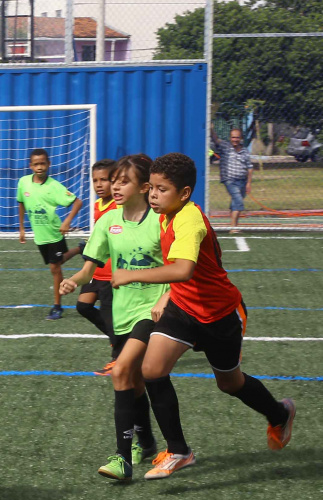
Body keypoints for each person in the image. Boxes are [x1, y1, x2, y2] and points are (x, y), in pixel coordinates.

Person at [113, 152, 296, 480]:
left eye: (161, 189)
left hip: (220, 315)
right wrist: (168, 294)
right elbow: (186, 271)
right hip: (182, 309)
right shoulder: (166, 214)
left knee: (230, 384)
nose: (153, 195)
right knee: (152, 370)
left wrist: (132, 275)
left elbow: (183, 269)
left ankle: (279, 413)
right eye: (151, 188)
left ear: (184, 194)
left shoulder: (189, 219)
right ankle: (179, 450)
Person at [60, 154, 164, 481]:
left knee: (121, 371)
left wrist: (166, 298)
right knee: (134, 382)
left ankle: (123, 458)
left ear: (145, 187)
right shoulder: (108, 221)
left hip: (152, 312)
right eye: (114, 180)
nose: (115, 186)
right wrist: (74, 281)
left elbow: (179, 267)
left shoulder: (161, 221)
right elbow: (90, 267)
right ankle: (147, 443)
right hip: (121, 313)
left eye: (124, 181)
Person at [17, 148, 85, 320]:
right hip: (39, 236)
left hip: (54, 234)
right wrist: (22, 228)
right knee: (57, 262)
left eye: (43, 163)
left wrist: (67, 221)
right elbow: (21, 203)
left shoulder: (54, 187)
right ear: (31, 166)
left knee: (55, 268)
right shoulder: (23, 182)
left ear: (48, 164)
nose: (40, 167)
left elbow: (78, 202)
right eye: (36, 164)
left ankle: (57, 306)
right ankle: (80, 249)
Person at [78, 159, 119, 374]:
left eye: (105, 180)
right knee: (83, 306)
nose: (99, 184)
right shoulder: (96, 206)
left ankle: (117, 359)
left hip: (111, 272)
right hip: (96, 269)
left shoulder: (119, 206)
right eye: (95, 180)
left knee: (108, 314)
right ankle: (120, 341)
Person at [211, 127, 252, 233]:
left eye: (237, 137)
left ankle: (235, 226)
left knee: (235, 203)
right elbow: (216, 139)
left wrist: (248, 183)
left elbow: (250, 168)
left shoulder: (245, 151)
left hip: (242, 181)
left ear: (241, 138)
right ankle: (233, 228)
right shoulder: (225, 147)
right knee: (238, 201)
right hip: (229, 180)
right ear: (230, 138)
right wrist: (211, 128)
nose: (235, 139)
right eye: (233, 137)